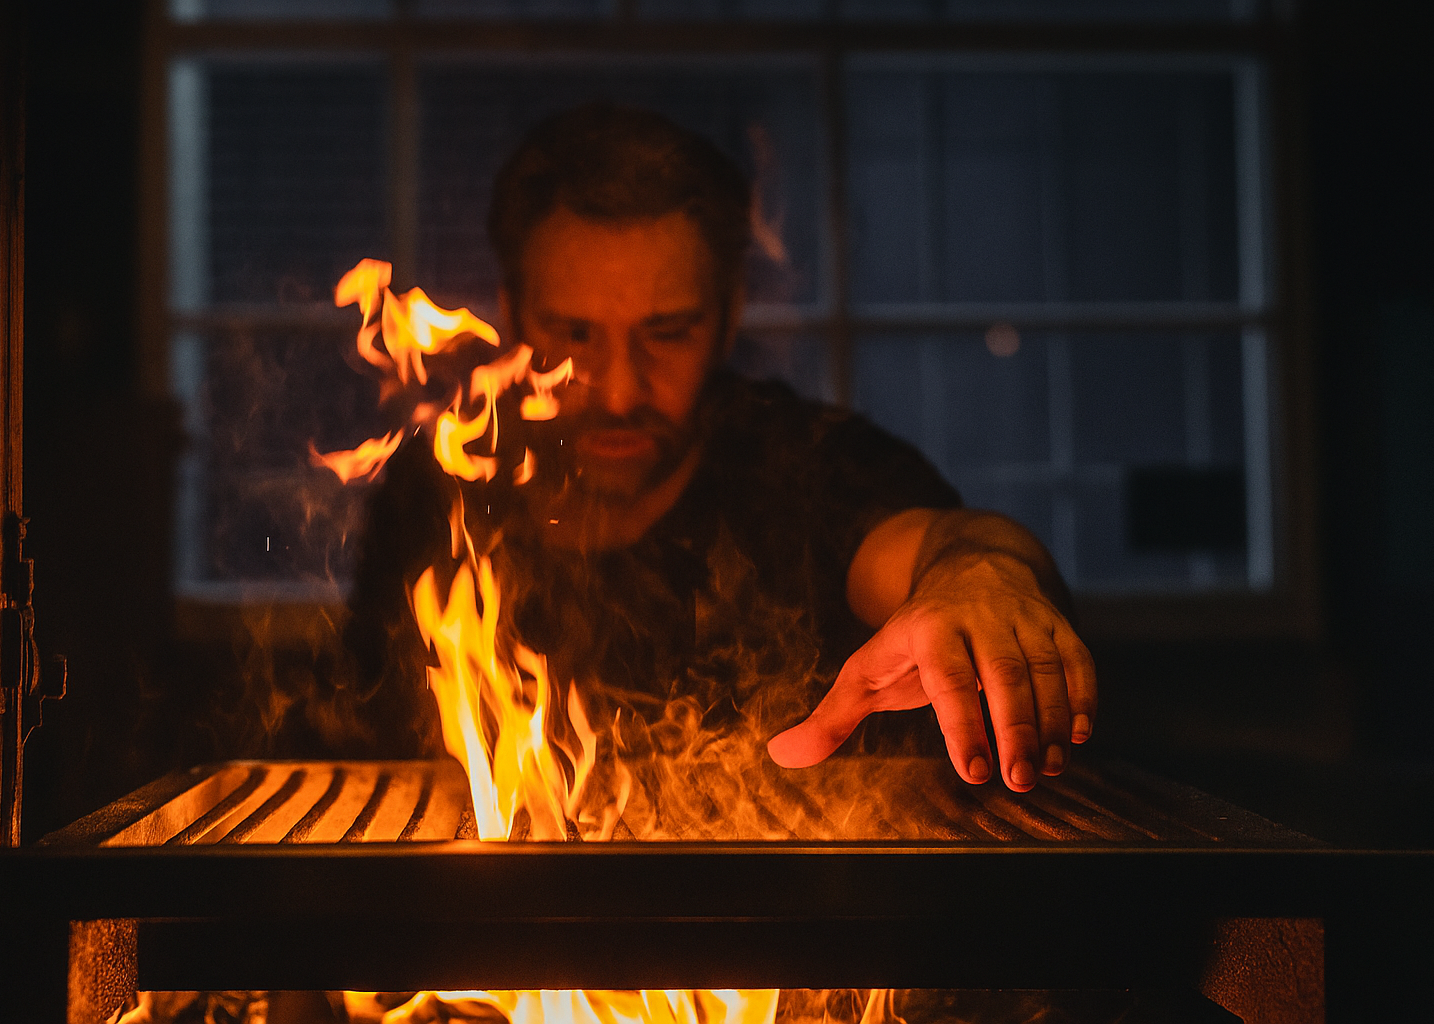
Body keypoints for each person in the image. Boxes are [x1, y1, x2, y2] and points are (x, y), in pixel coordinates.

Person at [346, 103, 1095, 794]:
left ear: (731, 312)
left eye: (667, 332)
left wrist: (981, 576)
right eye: (573, 335)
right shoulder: (438, 486)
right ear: (511, 314)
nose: (617, 389)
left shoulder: (803, 464)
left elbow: (937, 545)